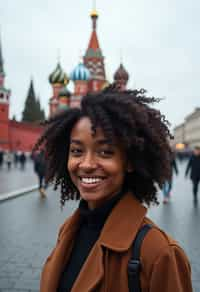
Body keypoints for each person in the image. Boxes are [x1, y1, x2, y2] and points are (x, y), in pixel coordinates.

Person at [35, 85, 192, 292]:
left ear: (129, 161)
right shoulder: (67, 230)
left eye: (105, 152)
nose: (87, 164)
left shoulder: (159, 253)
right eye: (77, 151)